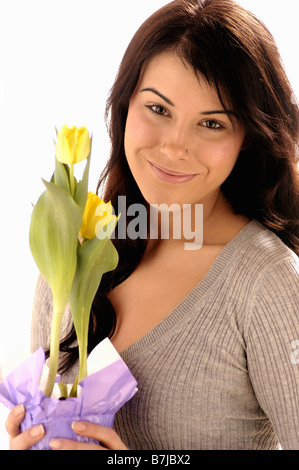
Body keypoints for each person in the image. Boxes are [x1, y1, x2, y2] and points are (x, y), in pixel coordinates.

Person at [6, 0, 299, 450]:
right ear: (124, 108)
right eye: (158, 110)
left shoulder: (267, 282)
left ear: (247, 139)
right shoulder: (71, 249)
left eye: (212, 123)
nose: (175, 146)